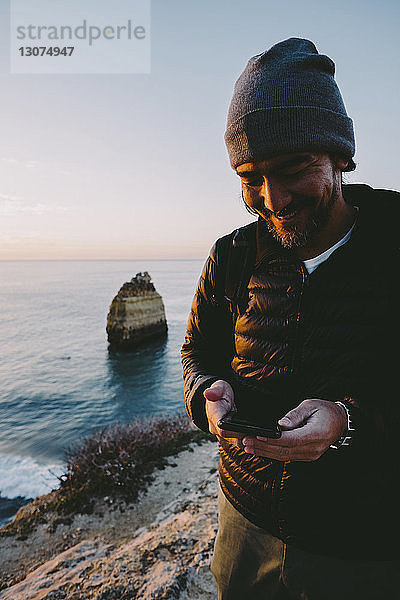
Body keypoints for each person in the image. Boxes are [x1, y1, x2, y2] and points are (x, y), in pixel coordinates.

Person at [181, 38, 400, 599]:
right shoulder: (231, 255)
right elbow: (196, 354)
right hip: (244, 522)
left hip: (366, 541)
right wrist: (206, 392)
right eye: (250, 177)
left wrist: (347, 423)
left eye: (294, 168)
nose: (272, 199)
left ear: (340, 158)